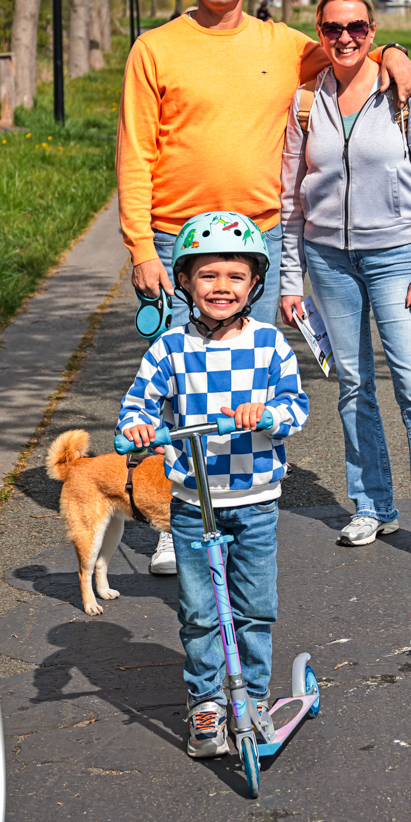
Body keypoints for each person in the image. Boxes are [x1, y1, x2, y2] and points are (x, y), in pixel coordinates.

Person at [116, 0, 411, 575]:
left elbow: (348, 51)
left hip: (256, 240)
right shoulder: (154, 48)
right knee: (175, 387)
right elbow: (134, 152)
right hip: (175, 240)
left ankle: (240, 512)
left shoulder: (282, 45)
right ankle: (173, 520)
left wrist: (395, 50)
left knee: (246, 387)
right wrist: (140, 246)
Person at [279, 0, 411, 568]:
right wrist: (291, 278)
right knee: (354, 385)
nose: (345, 38)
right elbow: (290, 197)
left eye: (356, 27)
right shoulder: (305, 101)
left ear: (372, 31)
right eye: (333, 28)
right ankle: (373, 505)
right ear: (319, 31)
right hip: (328, 260)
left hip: (395, 257)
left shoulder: (402, 91)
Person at [117, 212, 308, 758]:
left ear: (254, 284)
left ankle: (253, 694)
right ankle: (205, 700)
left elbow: (295, 408)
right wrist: (137, 428)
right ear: (184, 281)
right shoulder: (169, 349)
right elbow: (137, 406)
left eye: (234, 276)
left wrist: (265, 414)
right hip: (192, 503)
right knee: (200, 611)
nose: (221, 287)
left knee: (254, 605)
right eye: (207, 276)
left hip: (255, 501)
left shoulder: (269, 344)